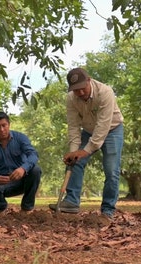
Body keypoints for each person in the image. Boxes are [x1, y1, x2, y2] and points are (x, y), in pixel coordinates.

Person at [48, 68, 124, 219]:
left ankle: (107, 211)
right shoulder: (70, 99)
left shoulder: (105, 92)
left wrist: (85, 151)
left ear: (89, 80)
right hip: (88, 130)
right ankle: (71, 202)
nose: (80, 93)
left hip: (112, 130)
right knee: (74, 162)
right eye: (76, 90)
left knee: (111, 170)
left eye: (83, 88)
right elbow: (74, 126)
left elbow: (103, 127)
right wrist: (73, 152)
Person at [0, 111, 42, 213]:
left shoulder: (20, 138)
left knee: (35, 170)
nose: (2, 130)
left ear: (9, 125)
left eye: (4, 125)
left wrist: (23, 169)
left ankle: (27, 208)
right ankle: (1, 207)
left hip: (22, 180)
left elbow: (33, 155)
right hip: (2, 184)